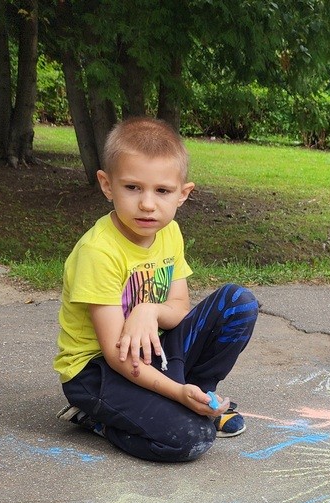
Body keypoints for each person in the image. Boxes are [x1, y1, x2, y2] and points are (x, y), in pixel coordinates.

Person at [54, 117, 259, 462]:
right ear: (107, 185)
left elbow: (180, 307)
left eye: (162, 191)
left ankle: (201, 395)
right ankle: (96, 417)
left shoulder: (169, 233)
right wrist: (176, 392)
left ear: (183, 194)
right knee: (192, 439)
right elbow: (118, 355)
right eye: (132, 187)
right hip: (99, 369)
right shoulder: (98, 252)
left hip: (153, 351)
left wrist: (147, 309)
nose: (148, 204)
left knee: (239, 303)